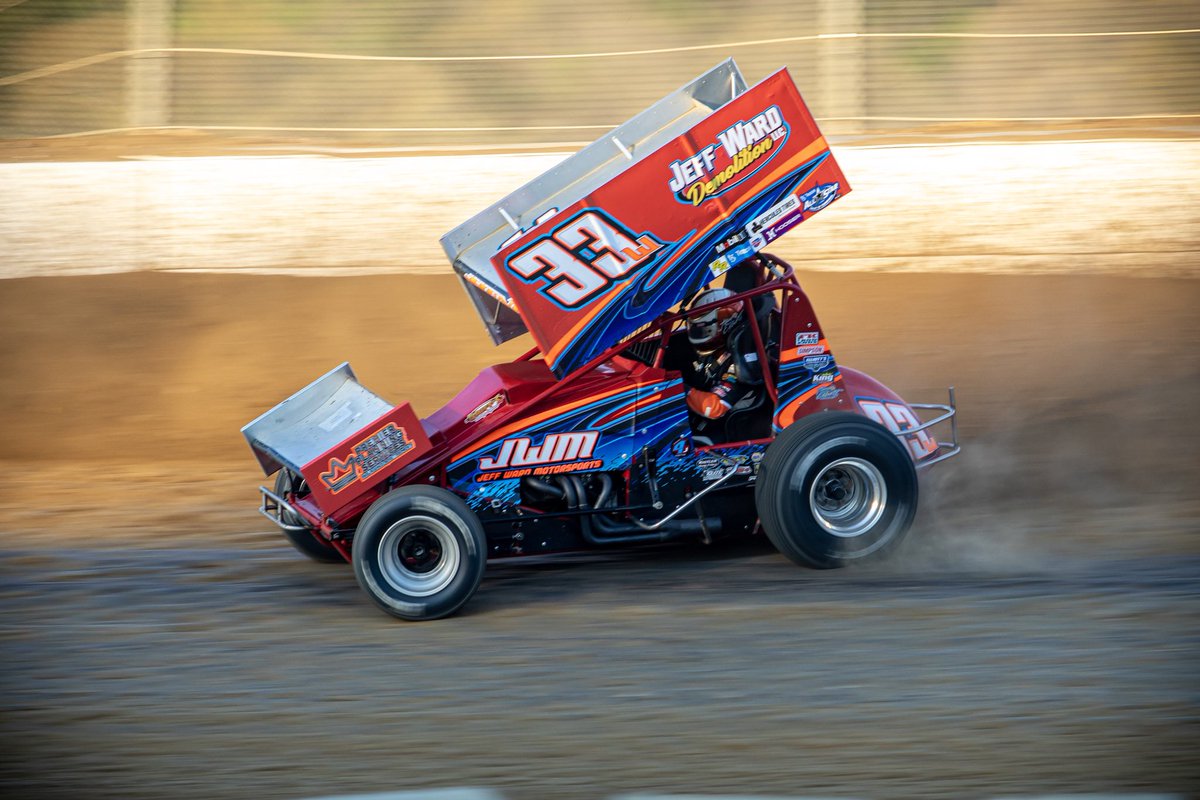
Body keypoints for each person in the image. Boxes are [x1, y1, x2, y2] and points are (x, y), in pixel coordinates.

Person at [676, 286, 764, 443]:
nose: (698, 334)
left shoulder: (740, 362)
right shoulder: (714, 350)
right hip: (699, 418)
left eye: (703, 329)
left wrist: (676, 390)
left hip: (719, 431)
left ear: (725, 324)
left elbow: (714, 408)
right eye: (695, 328)